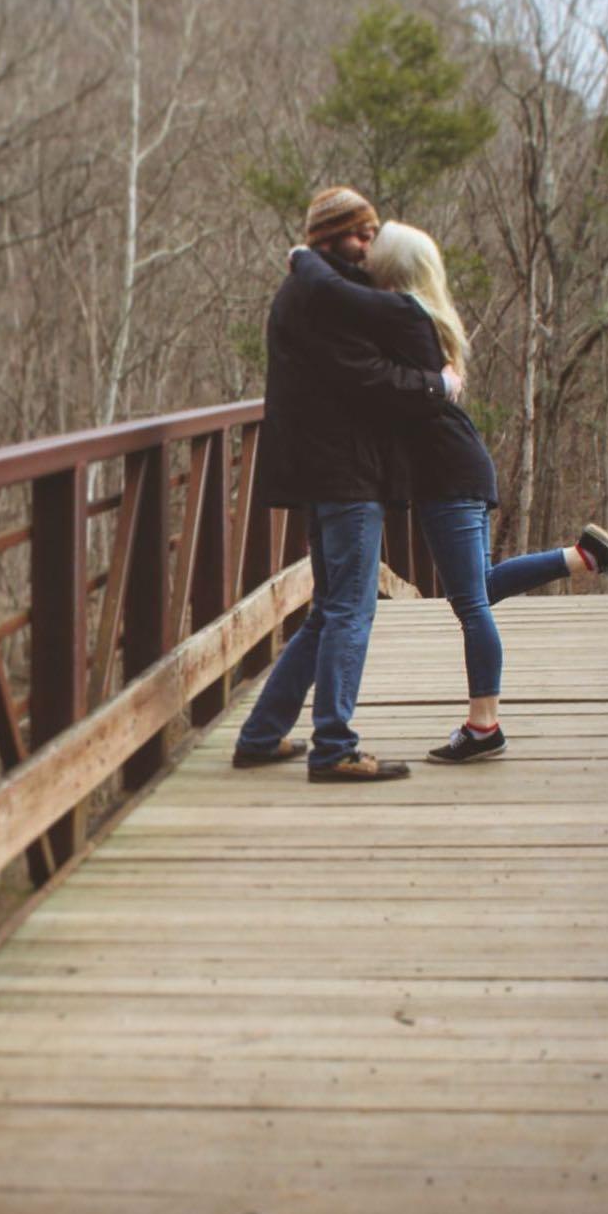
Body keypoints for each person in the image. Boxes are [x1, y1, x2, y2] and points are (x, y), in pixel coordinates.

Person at [286, 221, 608, 764]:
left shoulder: (402, 320)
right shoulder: (427, 317)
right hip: (460, 463)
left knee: (471, 605)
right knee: (477, 588)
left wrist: (304, 256)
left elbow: (371, 377)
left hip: (446, 473)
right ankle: (582, 557)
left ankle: (484, 727)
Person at [231, 188, 457, 783]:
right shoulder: (323, 295)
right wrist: (437, 386)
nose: (370, 246)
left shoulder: (312, 289)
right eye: (362, 235)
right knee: (351, 613)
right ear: (331, 237)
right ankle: (334, 747)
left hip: (325, 470)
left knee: (327, 612)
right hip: (346, 473)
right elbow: (368, 376)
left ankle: (260, 734)